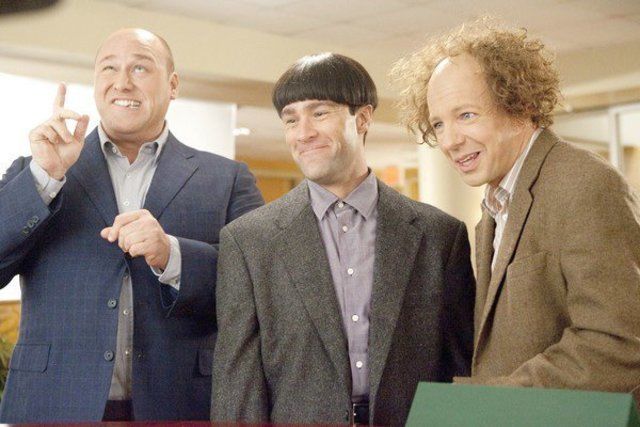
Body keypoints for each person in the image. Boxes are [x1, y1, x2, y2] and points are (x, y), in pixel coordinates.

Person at [0, 28, 263, 422]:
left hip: (183, 406)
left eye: (140, 67)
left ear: (172, 85)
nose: (122, 82)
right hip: (51, 405)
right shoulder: (35, 170)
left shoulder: (227, 179)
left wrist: (173, 256)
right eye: (109, 68)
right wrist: (45, 178)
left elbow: (257, 289)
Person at [210, 52, 475, 426]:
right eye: (291, 119)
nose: (303, 133)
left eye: (319, 113)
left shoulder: (440, 236)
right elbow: (238, 387)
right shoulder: (249, 242)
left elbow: (460, 371)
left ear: (363, 118)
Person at [392, 19, 640, 398]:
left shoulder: (584, 183)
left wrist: (493, 398)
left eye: (466, 115)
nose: (450, 141)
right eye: (438, 124)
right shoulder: (495, 204)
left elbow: (618, 342)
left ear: (519, 106)